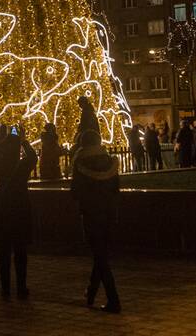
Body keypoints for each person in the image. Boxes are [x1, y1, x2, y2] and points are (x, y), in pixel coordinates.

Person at [71, 129, 121, 313]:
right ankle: (91, 293)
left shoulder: (80, 162)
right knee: (101, 255)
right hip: (109, 213)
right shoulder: (110, 162)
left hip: (91, 214)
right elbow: (116, 190)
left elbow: (75, 192)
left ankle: (114, 300)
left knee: (100, 257)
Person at [0, 126, 37, 300]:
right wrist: (22, 140)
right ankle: (22, 287)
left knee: (3, 252)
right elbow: (33, 157)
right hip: (20, 209)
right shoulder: (22, 166)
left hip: (2, 209)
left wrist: (4, 140)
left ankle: (5, 288)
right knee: (20, 251)